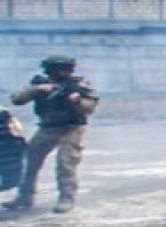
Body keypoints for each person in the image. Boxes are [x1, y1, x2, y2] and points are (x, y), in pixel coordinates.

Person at [4, 55, 98, 214]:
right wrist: (37, 90)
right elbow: (16, 99)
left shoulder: (78, 86)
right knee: (30, 160)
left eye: (64, 69)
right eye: (57, 69)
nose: (61, 73)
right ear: (49, 70)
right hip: (48, 127)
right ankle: (25, 196)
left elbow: (89, 108)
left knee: (65, 163)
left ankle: (66, 198)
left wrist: (78, 101)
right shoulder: (40, 84)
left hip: (71, 128)